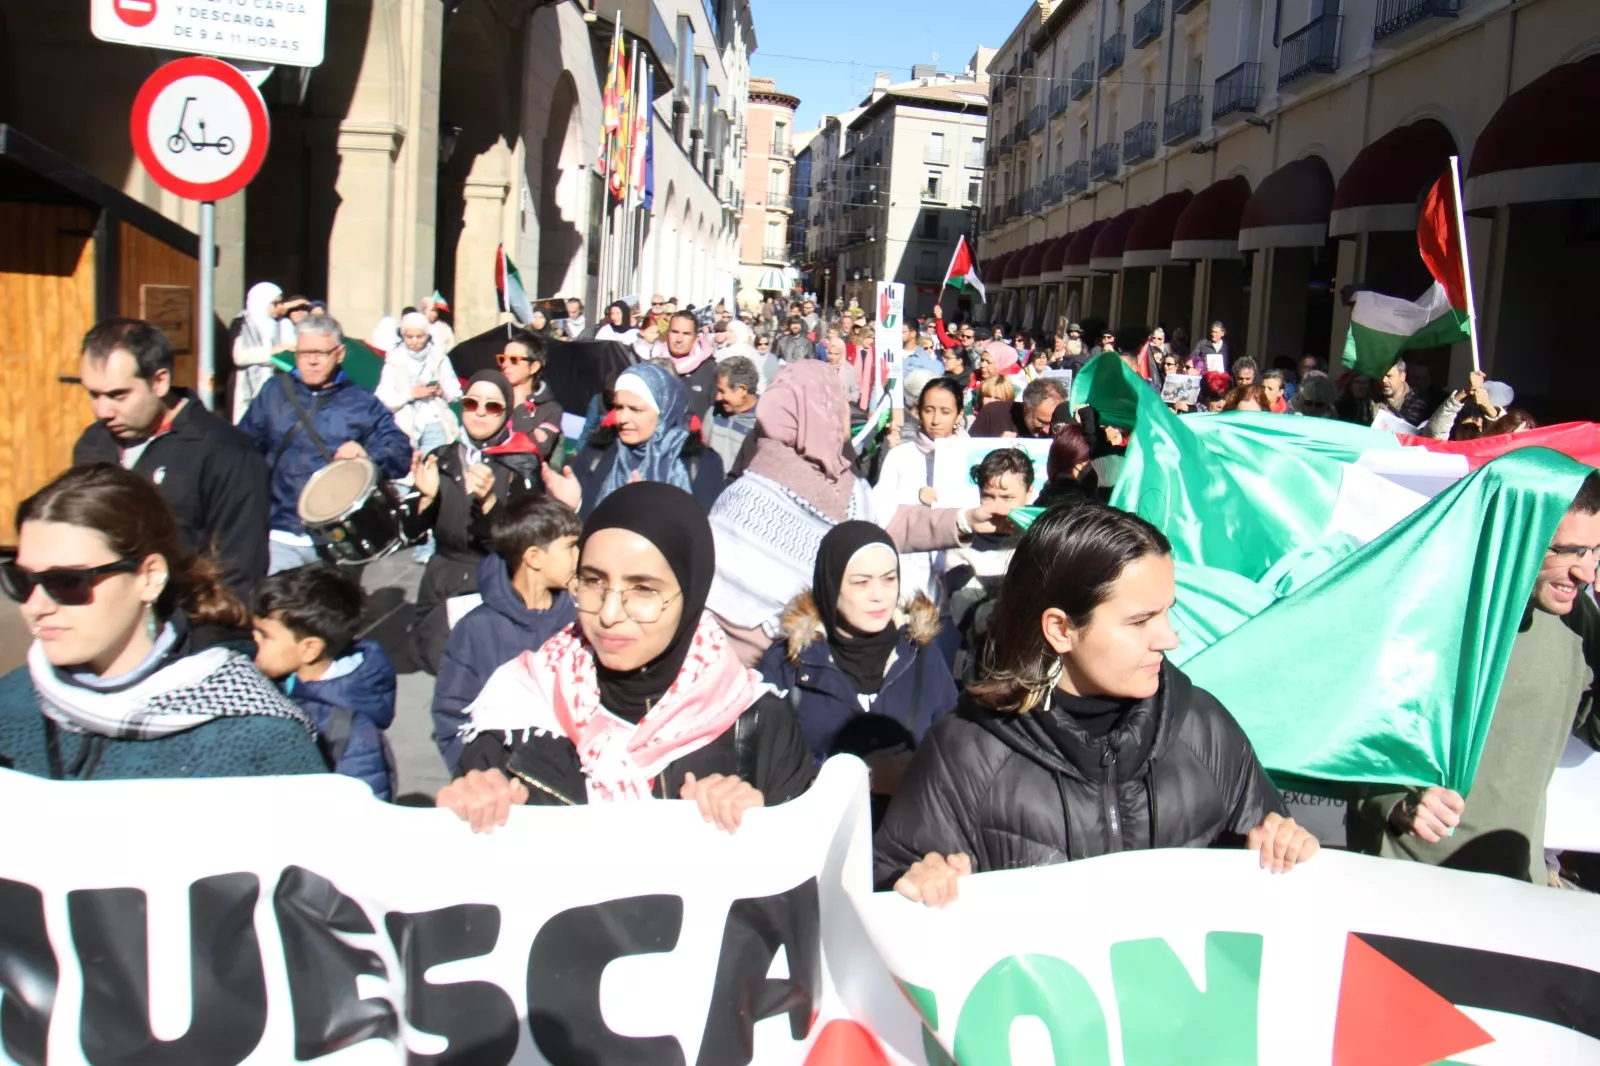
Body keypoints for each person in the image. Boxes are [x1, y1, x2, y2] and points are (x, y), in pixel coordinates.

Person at [874, 503, 1318, 904]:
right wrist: (914, 883)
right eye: (1141, 620)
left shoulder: (1204, 727)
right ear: (1061, 629)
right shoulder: (965, 753)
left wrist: (1281, 845)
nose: (1170, 638)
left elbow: (1268, 864)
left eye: (1167, 612)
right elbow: (890, 889)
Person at [436, 482, 815, 828]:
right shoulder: (519, 709)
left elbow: (795, 890)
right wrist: (472, 808)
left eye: (644, 590)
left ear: (692, 594)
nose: (609, 614)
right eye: (593, 581)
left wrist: (761, 833)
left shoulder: (758, 726)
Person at [0, 465, 325, 780]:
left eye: (68, 581)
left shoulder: (258, 736)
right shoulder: (10, 703)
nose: (35, 606)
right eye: (22, 580)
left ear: (149, 577)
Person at [1351, 473, 1600, 884]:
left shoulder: (1580, 622)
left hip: (1519, 888)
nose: (1585, 573)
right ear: (1521, 534)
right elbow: (1347, 731)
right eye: (1569, 552)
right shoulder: (1433, 608)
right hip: (1409, 886)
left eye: (1594, 551)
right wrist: (1393, 800)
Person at [706, 361, 1013, 665]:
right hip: (769, 676)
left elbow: (884, 524)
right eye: (838, 401)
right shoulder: (754, 492)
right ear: (817, 412)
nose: (846, 410)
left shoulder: (839, 479)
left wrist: (963, 519)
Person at [760, 522, 958, 817]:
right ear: (831, 584)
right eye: (861, 582)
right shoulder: (788, 662)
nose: (878, 595)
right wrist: (857, 778)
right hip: (817, 841)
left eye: (889, 579)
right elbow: (767, 769)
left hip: (907, 847)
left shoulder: (921, 655)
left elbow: (953, 752)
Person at [73, 318, 270, 600]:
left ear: (160, 381)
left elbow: (240, 569)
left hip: (188, 626)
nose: (103, 411)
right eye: (94, 395)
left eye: (118, 395)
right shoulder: (93, 444)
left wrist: (212, 636)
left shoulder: (227, 453)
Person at [239, 314, 413, 574]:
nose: (311, 361)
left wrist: (369, 457)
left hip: (338, 539)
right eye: (304, 352)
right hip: (279, 533)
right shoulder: (274, 392)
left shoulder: (361, 401)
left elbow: (400, 452)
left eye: (320, 353)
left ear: (339, 353)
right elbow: (242, 449)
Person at [406, 370, 546, 673]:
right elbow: (412, 532)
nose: (480, 412)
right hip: (442, 578)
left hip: (493, 582)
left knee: (484, 674)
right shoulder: (440, 458)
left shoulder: (521, 463)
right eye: (472, 403)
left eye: (492, 406)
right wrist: (427, 499)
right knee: (440, 670)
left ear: (506, 412)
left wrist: (490, 503)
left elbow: (526, 540)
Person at [432, 494, 580, 773]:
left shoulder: (580, 618)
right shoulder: (476, 630)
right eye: (571, 547)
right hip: (506, 783)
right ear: (534, 558)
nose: (579, 557)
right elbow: (451, 713)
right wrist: (477, 774)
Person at [252, 565, 398, 801]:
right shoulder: (280, 681)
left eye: (264, 635)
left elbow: (362, 808)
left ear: (309, 649)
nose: (253, 641)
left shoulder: (350, 731)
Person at [567, 362, 725, 518]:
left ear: (665, 411)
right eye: (619, 407)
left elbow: (702, 534)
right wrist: (572, 507)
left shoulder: (701, 464)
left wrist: (650, 516)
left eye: (636, 409)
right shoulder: (598, 450)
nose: (622, 418)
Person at [943, 448, 1038, 680]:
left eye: (1008, 498)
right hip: (977, 672)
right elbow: (967, 615)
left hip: (1031, 670)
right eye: (989, 496)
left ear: (1029, 493)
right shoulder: (962, 543)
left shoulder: (1040, 543)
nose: (998, 507)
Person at [873, 377, 968, 604]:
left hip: (960, 571)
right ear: (918, 412)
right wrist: (915, 496)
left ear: (959, 415)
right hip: (911, 574)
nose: (935, 420)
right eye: (929, 410)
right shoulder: (901, 456)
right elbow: (878, 509)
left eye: (945, 411)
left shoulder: (971, 456)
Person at [376, 310, 464, 459]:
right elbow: (382, 399)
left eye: (419, 336)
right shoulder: (394, 359)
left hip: (434, 421)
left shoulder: (438, 357)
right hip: (403, 426)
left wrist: (441, 392)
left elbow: (455, 392)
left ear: (427, 335)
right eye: (409, 336)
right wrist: (410, 395)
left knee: (434, 465)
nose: (414, 341)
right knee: (405, 472)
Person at [495, 328, 565, 464]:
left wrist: (520, 407)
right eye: (502, 359)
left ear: (533, 367)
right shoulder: (494, 398)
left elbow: (536, 451)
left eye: (513, 360)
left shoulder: (551, 409)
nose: (505, 365)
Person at [231, 281, 292, 423]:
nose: (279, 307)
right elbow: (239, 356)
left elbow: (290, 348)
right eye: (274, 303)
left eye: (281, 302)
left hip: (276, 388)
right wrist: (271, 353)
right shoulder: (242, 324)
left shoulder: (283, 324)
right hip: (248, 385)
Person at [651, 310, 719, 426]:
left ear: (696, 338)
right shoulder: (653, 365)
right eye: (675, 332)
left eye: (686, 334)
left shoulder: (711, 370)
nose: (679, 339)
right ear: (668, 333)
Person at [710, 356, 761, 472]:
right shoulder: (714, 412)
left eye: (722, 391)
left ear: (743, 390)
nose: (718, 397)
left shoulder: (762, 425)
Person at [1378, 357, 1435, 427]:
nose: (1384, 380)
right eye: (1381, 376)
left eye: (1389, 376)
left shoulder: (1417, 401)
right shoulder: (1374, 400)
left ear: (1402, 376)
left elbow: (1409, 428)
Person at [825, 336, 861, 404]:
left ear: (842, 353)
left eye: (836, 354)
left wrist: (849, 399)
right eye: (830, 353)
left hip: (843, 409)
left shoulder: (849, 369)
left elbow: (855, 391)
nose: (832, 357)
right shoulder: (824, 369)